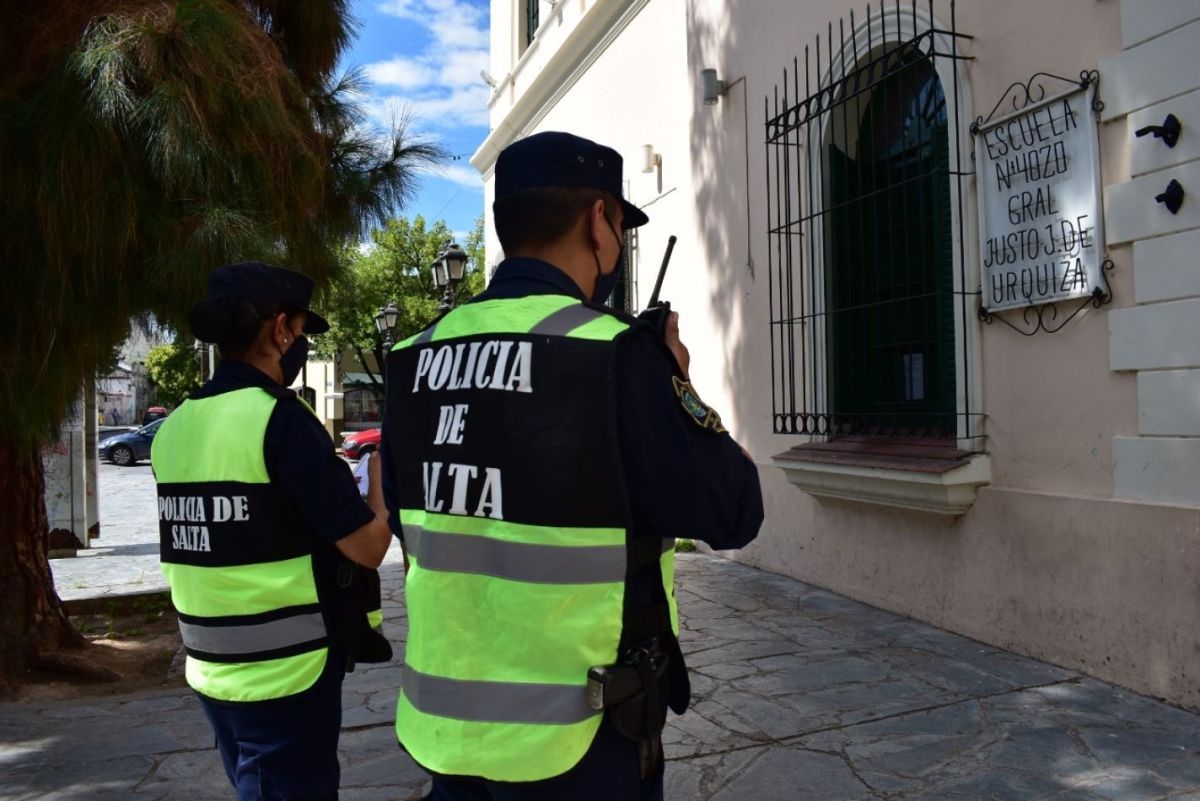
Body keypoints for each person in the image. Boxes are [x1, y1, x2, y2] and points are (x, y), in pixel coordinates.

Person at [380, 131, 764, 800]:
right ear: (599, 221)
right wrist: (680, 384)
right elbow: (732, 510)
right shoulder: (614, 353)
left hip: (447, 734)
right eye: (621, 221)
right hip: (577, 742)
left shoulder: (413, 359)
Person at [152, 262, 393, 801]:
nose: (301, 343)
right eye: (303, 330)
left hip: (211, 666)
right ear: (281, 329)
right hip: (285, 672)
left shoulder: (175, 426)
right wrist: (380, 484)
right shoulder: (280, 419)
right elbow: (369, 546)